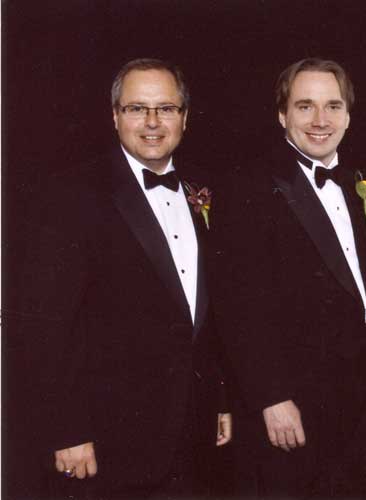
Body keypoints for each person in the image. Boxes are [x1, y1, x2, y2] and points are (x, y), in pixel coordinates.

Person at [15, 58, 231, 499]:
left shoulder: (203, 191)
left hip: (192, 436)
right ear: (115, 117)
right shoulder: (70, 195)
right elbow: (43, 326)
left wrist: (220, 400)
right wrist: (67, 430)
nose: (152, 122)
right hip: (102, 444)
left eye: (166, 109)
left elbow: (207, 313)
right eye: (137, 109)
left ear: (184, 118)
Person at [211, 58, 366, 498]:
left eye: (333, 105)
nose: (320, 120)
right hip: (289, 404)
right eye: (305, 106)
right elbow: (238, 305)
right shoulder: (249, 185)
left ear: (348, 115)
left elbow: (358, 288)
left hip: (350, 395)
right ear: (282, 114)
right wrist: (271, 398)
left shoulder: (351, 182)